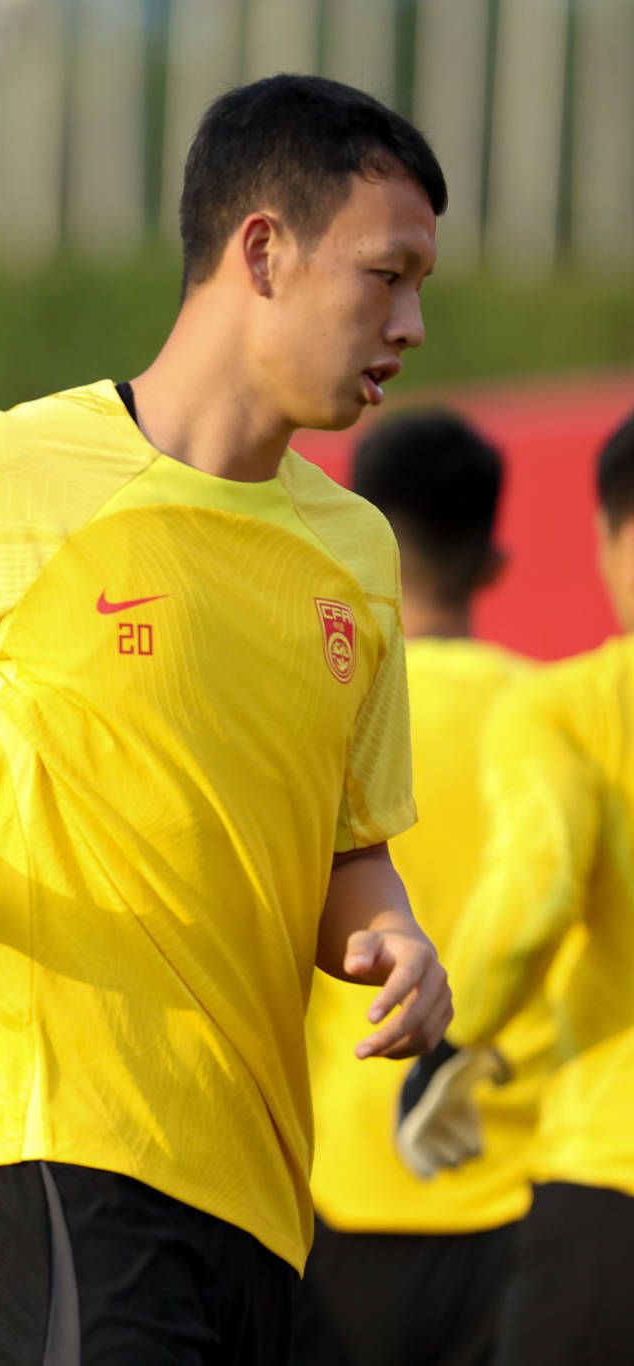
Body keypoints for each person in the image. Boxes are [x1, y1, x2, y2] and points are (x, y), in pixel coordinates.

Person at [0, 74, 453, 1364]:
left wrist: (394, 940)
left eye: (418, 290)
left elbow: (347, 849)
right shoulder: (2, 475)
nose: (407, 323)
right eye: (383, 276)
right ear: (261, 252)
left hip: (256, 1189)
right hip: (41, 1147)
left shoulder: (353, 551)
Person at [298, 410, 548, 1366]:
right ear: (493, 562)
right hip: (526, 1197)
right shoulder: (555, 722)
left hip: (341, 1194)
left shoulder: (318, 726)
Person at [399, 407, 634, 1364]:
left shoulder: (570, 708)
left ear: (616, 538)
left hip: (607, 1177)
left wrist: (449, 1041)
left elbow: (538, 890)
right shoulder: (520, 692)